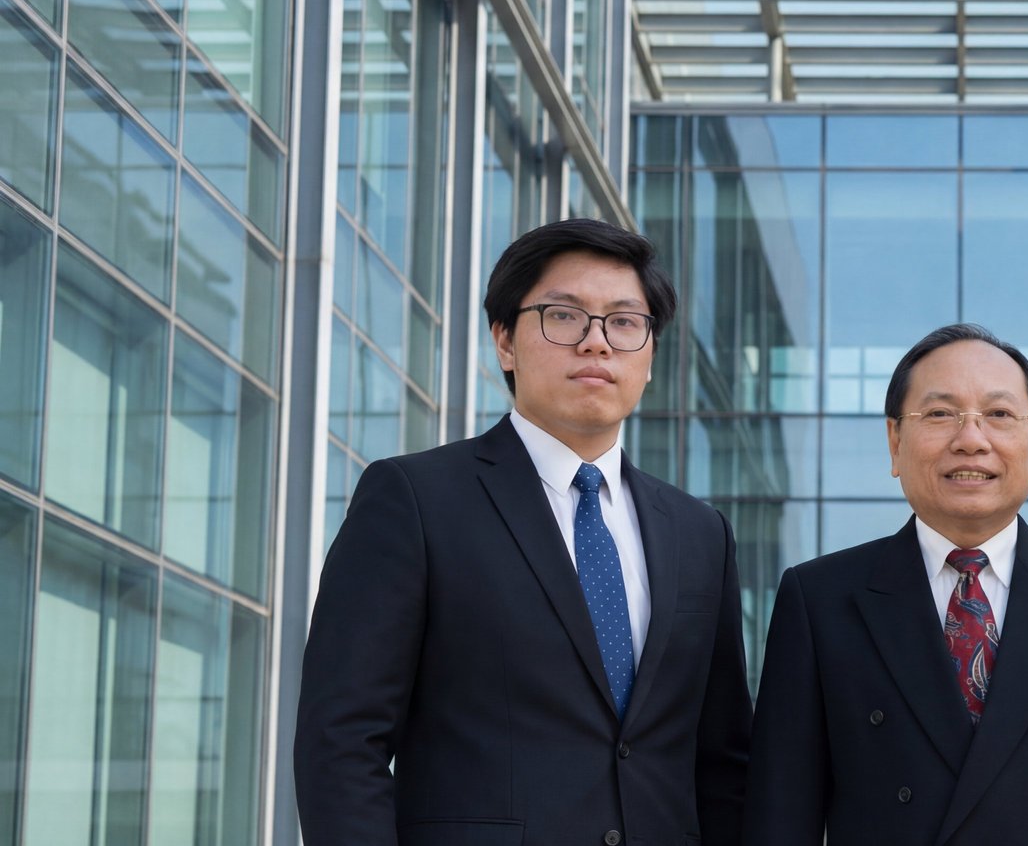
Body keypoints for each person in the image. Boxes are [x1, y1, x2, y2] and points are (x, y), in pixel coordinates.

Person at [294, 218, 751, 846]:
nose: (597, 343)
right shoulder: (416, 500)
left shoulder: (701, 534)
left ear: (648, 358)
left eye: (623, 322)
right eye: (564, 317)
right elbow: (342, 741)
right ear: (505, 342)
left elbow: (720, 760)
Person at [743, 323, 1028, 845]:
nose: (971, 440)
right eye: (940, 414)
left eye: (999, 415)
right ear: (895, 440)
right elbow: (779, 818)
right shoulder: (818, 601)